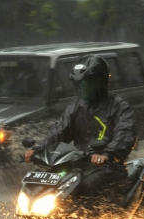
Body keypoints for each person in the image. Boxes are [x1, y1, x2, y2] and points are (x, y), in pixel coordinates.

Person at [24, 55, 137, 198]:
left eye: (87, 83)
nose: (83, 87)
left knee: (89, 185)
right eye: (80, 84)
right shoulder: (75, 107)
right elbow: (59, 131)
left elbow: (125, 134)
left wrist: (107, 154)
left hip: (110, 167)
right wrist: (38, 149)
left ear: (101, 82)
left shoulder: (119, 107)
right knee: (46, 181)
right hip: (77, 164)